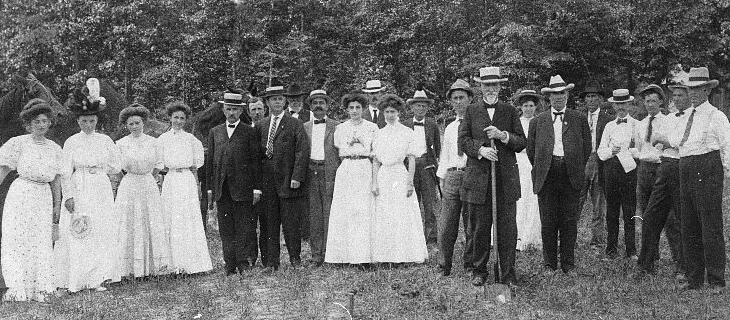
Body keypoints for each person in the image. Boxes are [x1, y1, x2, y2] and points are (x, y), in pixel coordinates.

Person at [661, 67, 729, 290]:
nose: (692, 94)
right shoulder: (685, 115)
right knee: (688, 224)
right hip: (686, 166)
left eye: (698, 89)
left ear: (707, 91)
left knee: (710, 225)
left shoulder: (716, 116)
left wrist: (726, 173)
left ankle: (717, 280)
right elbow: (674, 139)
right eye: (690, 89)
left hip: (708, 166)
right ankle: (694, 278)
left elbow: (727, 147)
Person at [458, 67, 526, 286]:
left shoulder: (509, 111)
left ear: (499, 87)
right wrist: (481, 150)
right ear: (480, 87)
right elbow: (463, 140)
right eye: (486, 85)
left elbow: (521, 142)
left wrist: (502, 136)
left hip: (505, 180)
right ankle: (479, 270)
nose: (490, 89)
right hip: (479, 180)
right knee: (479, 228)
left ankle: (508, 273)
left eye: (494, 85)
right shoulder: (471, 111)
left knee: (507, 229)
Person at [54, 89, 119, 293]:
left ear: (96, 121)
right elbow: (65, 172)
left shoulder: (105, 141)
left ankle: (98, 277)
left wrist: (100, 170)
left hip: (99, 186)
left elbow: (116, 165)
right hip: (79, 184)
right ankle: (75, 277)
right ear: (78, 122)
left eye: (91, 121)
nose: (88, 125)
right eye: (84, 121)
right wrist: (69, 195)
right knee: (79, 228)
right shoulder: (72, 142)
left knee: (100, 229)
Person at [527, 75, 591, 274]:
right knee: (548, 221)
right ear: (548, 97)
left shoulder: (578, 118)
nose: (558, 97)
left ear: (567, 94)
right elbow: (531, 151)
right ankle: (549, 264)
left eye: (561, 93)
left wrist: (573, 164)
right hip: (547, 174)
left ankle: (568, 264)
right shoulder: (538, 121)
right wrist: (546, 165)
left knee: (569, 221)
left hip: (570, 173)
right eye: (554, 94)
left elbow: (587, 148)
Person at [0, 99, 62, 302]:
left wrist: (56, 205)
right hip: (21, 194)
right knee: (17, 239)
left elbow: (56, 180)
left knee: (41, 240)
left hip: (43, 196)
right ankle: (17, 288)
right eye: (37, 121)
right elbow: (3, 170)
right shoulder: (18, 143)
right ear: (28, 124)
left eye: (45, 121)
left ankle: (41, 288)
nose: (42, 125)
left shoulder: (54, 148)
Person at [206, 91, 263, 275]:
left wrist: (256, 188)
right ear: (223, 110)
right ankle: (229, 263)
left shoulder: (249, 131)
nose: (232, 113)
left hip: (243, 189)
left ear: (241, 112)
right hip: (222, 189)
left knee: (244, 226)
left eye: (235, 110)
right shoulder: (215, 132)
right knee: (226, 228)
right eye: (228, 109)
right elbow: (211, 163)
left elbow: (256, 161)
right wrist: (210, 189)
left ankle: (242, 262)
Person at [114, 104, 172, 279]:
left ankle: (152, 266)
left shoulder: (154, 142)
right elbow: (117, 167)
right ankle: (129, 268)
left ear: (143, 123)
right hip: (129, 184)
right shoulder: (121, 144)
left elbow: (158, 165)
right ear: (126, 125)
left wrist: (148, 176)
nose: (134, 127)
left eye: (137, 123)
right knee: (129, 221)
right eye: (130, 124)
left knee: (150, 220)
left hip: (147, 183)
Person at [256, 81, 310, 271]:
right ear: (268, 103)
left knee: (290, 223)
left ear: (285, 101)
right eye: (273, 99)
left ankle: (295, 260)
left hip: (288, 180)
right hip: (267, 181)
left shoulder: (295, 124)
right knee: (270, 223)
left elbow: (301, 152)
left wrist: (296, 177)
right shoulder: (261, 125)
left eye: (280, 99)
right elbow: (256, 155)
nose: (277, 102)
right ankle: (272, 262)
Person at [636, 84, 688, 278]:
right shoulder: (641, 124)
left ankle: (680, 263)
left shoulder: (669, 121)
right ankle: (648, 262)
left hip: (664, 168)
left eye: (653, 100)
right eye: (647, 101)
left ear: (661, 102)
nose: (650, 104)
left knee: (672, 219)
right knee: (648, 216)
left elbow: (673, 145)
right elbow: (640, 147)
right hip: (645, 169)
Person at [371, 94, 429, 263]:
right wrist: (374, 182)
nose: (390, 115)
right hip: (384, 175)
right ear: (382, 113)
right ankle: (386, 256)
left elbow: (411, 159)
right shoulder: (379, 134)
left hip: (399, 174)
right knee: (385, 214)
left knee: (402, 214)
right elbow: (375, 160)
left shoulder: (406, 132)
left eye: (393, 112)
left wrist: (410, 182)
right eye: (387, 112)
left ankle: (405, 255)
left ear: (398, 113)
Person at [159, 102, 213, 275]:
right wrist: (168, 169)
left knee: (188, 218)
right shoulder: (162, 140)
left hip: (187, 180)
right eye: (176, 117)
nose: (179, 121)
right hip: (171, 180)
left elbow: (198, 162)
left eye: (182, 118)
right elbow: (158, 162)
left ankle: (192, 264)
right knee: (171, 218)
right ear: (170, 118)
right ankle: (172, 264)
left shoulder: (191, 140)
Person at [325, 93, 378, 265]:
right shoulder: (340, 129)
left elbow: (374, 152)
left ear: (363, 109)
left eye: (358, 107)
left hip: (364, 167)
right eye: (351, 108)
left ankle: (364, 257)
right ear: (346, 110)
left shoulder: (372, 127)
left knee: (363, 211)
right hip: (347, 168)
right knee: (346, 211)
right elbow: (339, 149)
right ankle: (343, 256)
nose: (354, 111)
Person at [597, 89, 640, 260]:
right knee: (612, 211)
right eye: (618, 104)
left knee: (629, 210)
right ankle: (611, 249)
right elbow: (601, 151)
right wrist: (611, 151)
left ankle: (631, 250)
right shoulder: (609, 126)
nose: (621, 107)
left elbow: (642, 149)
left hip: (629, 170)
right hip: (612, 171)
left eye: (624, 104)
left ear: (629, 104)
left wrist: (630, 151)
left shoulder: (636, 124)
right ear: (613, 105)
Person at [436, 79, 473, 276]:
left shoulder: (477, 123)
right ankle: (444, 266)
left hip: (470, 176)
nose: (458, 102)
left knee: (471, 225)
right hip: (451, 175)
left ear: (470, 99)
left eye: (462, 98)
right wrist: (442, 179)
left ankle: (470, 266)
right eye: (455, 98)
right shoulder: (450, 127)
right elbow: (444, 155)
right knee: (446, 225)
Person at [303, 89, 340, 267]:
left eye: (322, 102)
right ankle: (316, 254)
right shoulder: (305, 127)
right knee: (315, 215)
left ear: (327, 106)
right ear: (310, 106)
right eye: (315, 103)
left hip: (329, 172)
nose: (318, 106)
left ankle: (329, 253)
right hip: (311, 171)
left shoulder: (337, 126)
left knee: (330, 213)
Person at [578, 81, 614, 250]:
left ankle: (596, 241)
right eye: (588, 97)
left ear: (600, 99)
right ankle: (569, 237)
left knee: (598, 203)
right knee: (576, 201)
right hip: (581, 162)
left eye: (594, 96)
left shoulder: (608, 120)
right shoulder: (578, 118)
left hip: (600, 162)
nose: (591, 100)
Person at [402, 90, 441, 245]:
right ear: (412, 107)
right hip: (409, 167)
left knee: (429, 204)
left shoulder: (432, 124)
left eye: (423, 106)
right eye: (418, 106)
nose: (420, 109)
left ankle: (431, 239)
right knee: (412, 202)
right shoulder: (404, 125)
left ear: (427, 108)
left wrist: (433, 164)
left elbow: (437, 148)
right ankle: (413, 238)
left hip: (427, 166)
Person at [512, 89, 542, 251]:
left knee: (533, 198)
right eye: (525, 106)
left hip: (534, 163)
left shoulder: (540, 122)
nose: (528, 109)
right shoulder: (517, 123)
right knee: (520, 199)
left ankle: (531, 236)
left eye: (531, 105)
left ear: (535, 107)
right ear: (521, 107)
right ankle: (517, 236)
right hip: (519, 164)